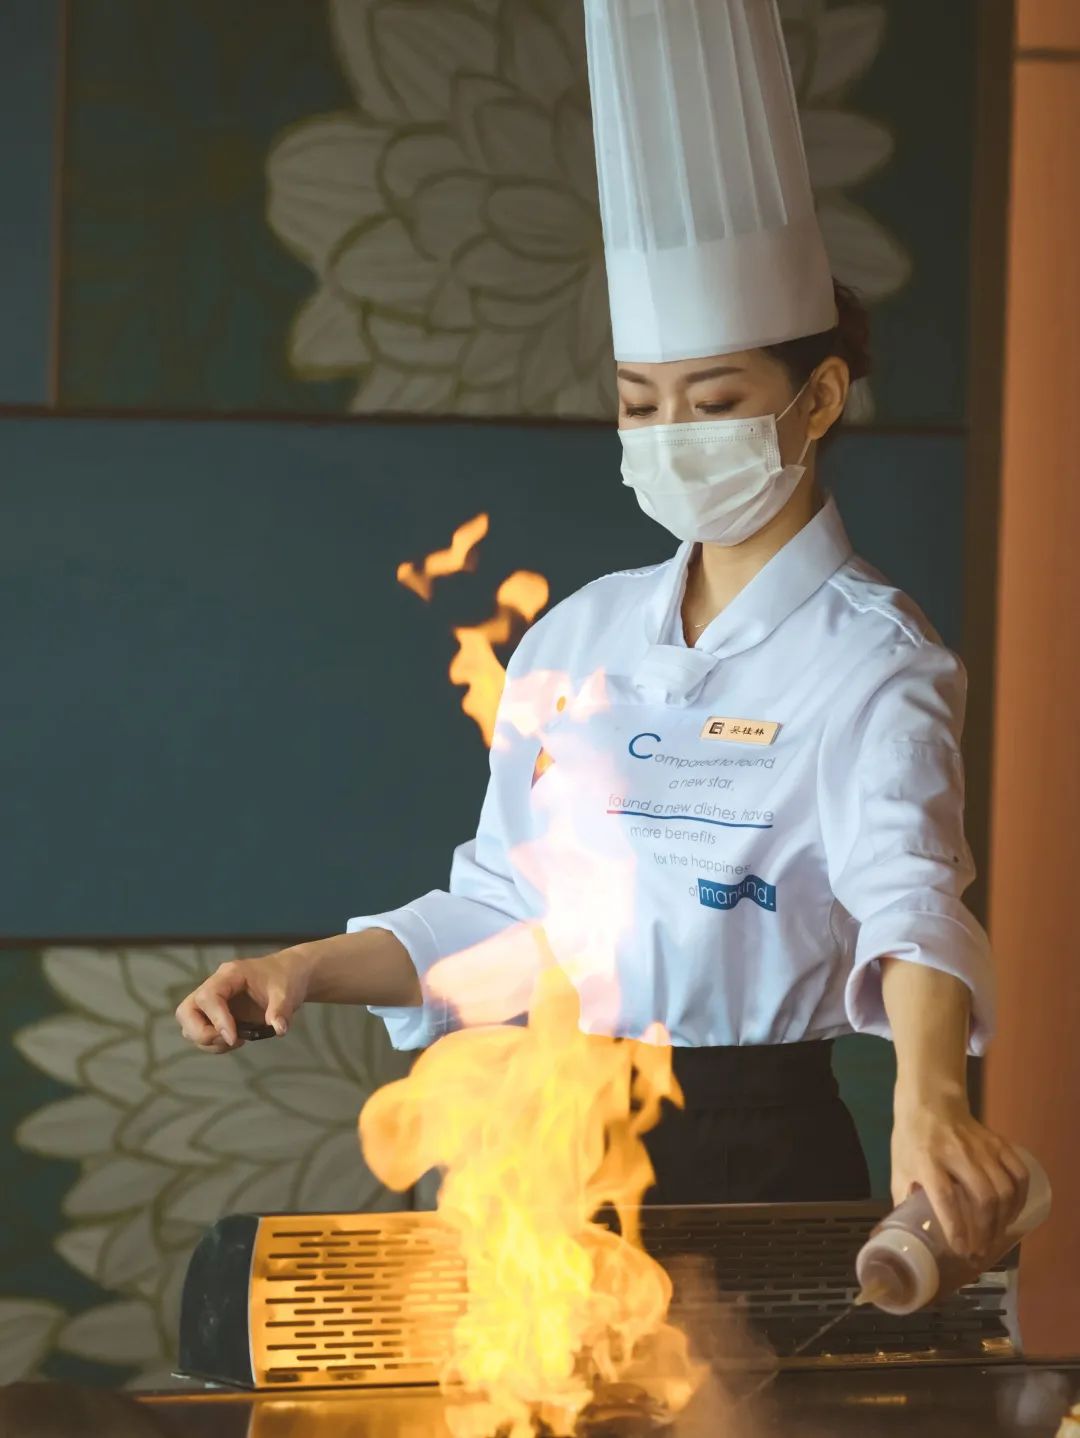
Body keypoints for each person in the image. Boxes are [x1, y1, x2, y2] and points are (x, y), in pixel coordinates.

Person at [176, 0, 1026, 1264]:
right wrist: (304, 967)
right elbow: (506, 918)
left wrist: (930, 1092)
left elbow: (911, 895)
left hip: (759, 1148)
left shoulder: (875, 658)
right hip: (554, 1131)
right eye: (642, 403)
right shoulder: (579, 635)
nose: (674, 434)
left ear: (817, 399)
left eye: (715, 400)